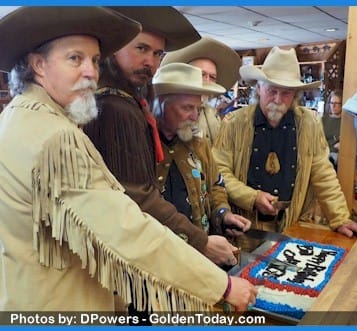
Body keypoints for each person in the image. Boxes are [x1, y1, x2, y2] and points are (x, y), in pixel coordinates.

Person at [0, 6, 257, 312]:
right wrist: (221, 285)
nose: (90, 72)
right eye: (75, 58)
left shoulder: (16, 117)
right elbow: (126, 230)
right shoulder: (57, 138)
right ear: (38, 65)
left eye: (95, 60)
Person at [84, 8, 240, 267]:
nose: (150, 62)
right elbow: (138, 197)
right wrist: (199, 241)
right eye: (141, 49)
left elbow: (213, 186)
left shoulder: (192, 141)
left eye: (157, 53)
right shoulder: (116, 107)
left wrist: (221, 214)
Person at [212, 46, 357, 252]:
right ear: (259, 88)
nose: (277, 99)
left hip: (292, 226)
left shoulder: (309, 123)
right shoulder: (233, 123)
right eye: (272, 91)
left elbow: (323, 174)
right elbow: (218, 174)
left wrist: (340, 218)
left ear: (295, 95)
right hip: (244, 230)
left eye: (286, 93)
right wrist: (252, 196)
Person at [152, 63, 251, 252]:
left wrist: (223, 214)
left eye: (198, 108)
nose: (195, 116)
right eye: (188, 108)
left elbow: (215, 185)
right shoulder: (141, 144)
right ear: (160, 104)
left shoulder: (198, 142)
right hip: (159, 256)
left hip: (201, 252)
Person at [160, 37, 241, 146]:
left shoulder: (211, 114)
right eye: (202, 74)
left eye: (212, 77)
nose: (207, 81)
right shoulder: (168, 114)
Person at [322, 89, 343, 170]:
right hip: (324, 154)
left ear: (342, 104)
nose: (333, 106)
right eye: (331, 103)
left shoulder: (345, 122)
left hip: (338, 157)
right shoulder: (323, 120)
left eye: (336, 103)